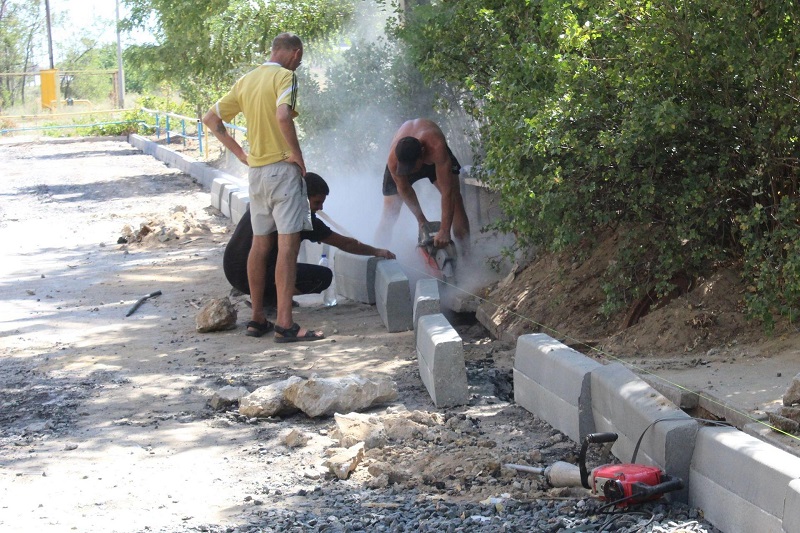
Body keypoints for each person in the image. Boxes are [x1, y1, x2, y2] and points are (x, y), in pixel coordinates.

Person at [203, 32, 322, 343]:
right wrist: (296, 154)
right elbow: (284, 116)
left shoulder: (247, 80)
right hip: (282, 171)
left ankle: (257, 318)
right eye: (301, 57)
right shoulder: (285, 77)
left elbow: (211, 118)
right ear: (295, 53)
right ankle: (285, 324)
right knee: (287, 247)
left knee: (260, 245)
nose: (300, 63)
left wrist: (241, 153)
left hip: (255, 174)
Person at [223, 173, 396, 326]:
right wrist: (377, 251)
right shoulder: (302, 217)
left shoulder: (272, 200)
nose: (320, 208)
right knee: (322, 277)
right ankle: (270, 297)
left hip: (232, 270)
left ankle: (268, 295)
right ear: (304, 197)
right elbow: (346, 244)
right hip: (247, 276)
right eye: (317, 202)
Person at [375, 118, 470, 251]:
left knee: (456, 199)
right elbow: (405, 190)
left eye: (412, 168)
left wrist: (444, 230)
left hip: (435, 161)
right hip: (406, 160)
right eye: (406, 169)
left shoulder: (436, 146)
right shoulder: (394, 161)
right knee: (389, 214)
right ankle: (378, 253)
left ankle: (467, 256)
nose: (409, 172)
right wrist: (421, 221)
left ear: (423, 153)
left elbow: (447, 191)